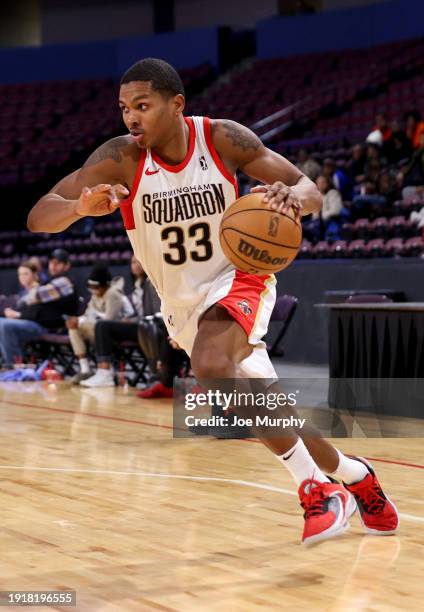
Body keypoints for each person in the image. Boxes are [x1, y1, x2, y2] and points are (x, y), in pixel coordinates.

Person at [27, 58, 398, 546]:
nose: (131, 118)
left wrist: (292, 196)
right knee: (271, 414)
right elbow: (38, 217)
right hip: (182, 305)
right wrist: (78, 207)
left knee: (209, 364)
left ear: (176, 104)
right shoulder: (120, 157)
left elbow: (308, 188)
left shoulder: (221, 138)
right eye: (124, 109)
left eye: (143, 105)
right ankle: (354, 475)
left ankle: (317, 492)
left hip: (239, 276)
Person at [78, 256, 162, 387]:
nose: (136, 265)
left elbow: (154, 313)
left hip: (149, 325)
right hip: (138, 325)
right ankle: (102, 371)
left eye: (140, 261)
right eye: (133, 262)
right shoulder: (136, 286)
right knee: (101, 326)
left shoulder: (152, 283)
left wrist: (133, 319)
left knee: (102, 325)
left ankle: (105, 371)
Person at [0, 249, 78, 366]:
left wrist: (20, 312)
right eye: (51, 262)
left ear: (67, 265)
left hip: (52, 328)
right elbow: (28, 303)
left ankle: (13, 366)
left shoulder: (65, 281)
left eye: (58, 263)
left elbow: (36, 296)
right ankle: (13, 363)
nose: (53, 266)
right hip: (37, 323)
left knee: (4, 325)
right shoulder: (49, 283)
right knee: (3, 323)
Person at [68, 262, 133, 384]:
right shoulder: (95, 295)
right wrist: (78, 321)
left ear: (106, 285)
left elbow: (109, 319)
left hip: (120, 329)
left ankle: (106, 371)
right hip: (100, 329)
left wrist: (81, 322)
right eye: (90, 287)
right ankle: (85, 369)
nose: (93, 290)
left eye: (96, 287)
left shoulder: (113, 293)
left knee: (99, 326)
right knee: (73, 328)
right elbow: (87, 314)